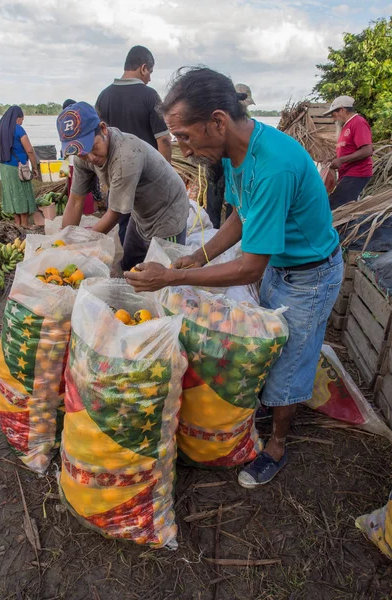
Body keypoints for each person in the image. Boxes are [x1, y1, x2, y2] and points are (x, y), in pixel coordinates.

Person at [125, 67, 342, 488]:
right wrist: (197, 255)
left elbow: (249, 267)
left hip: (311, 275)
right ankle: (274, 407)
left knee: (290, 360)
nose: (183, 148)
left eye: (185, 136)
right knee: (275, 347)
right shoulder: (239, 154)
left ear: (218, 121)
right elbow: (242, 215)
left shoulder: (273, 166)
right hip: (284, 266)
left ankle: (276, 446)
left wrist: (170, 278)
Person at [57, 102, 188, 271]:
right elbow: (75, 201)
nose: (90, 158)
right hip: (140, 212)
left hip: (168, 211)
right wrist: (65, 241)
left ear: (103, 129)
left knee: (164, 276)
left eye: (93, 148)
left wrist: (82, 245)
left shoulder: (125, 156)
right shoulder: (82, 156)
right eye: (81, 154)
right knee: (129, 265)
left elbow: (114, 215)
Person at [96, 45, 172, 244]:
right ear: (143, 67)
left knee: (124, 225)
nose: (150, 78)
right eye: (151, 72)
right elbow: (164, 140)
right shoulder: (149, 96)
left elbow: (98, 142)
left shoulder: (104, 96)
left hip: (117, 177)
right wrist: (166, 175)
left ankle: (128, 271)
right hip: (147, 178)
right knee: (151, 229)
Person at [206, 84, 255, 229]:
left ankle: (226, 234)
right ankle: (213, 231)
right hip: (218, 164)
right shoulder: (219, 118)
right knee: (215, 197)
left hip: (233, 166)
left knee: (234, 203)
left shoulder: (246, 120)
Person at [323, 96, 373, 210]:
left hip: (357, 173)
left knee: (334, 205)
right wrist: (332, 159)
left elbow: (367, 150)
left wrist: (341, 160)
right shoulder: (346, 126)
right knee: (347, 206)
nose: (333, 119)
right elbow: (348, 150)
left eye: (333, 114)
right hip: (347, 173)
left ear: (342, 110)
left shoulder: (358, 122)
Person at [0, 105, 38, 227]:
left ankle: (17, 222)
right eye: (22, 119)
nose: (22, 122)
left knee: (11, 194)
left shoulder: (0, 129)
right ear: (18, 118)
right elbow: (29, 150)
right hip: (18, 167)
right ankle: (24, 223)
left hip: (4, 168)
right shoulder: (18, 129)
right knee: (22, 193)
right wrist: (35, 167)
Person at [61, 98, 97, 215]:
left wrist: (64, 171)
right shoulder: (77, 120)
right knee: (81, 190)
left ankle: (84, 212)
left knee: (78, 189)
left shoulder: (64, 124)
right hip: (79, 160)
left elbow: (64, 151)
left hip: (74, 163)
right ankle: (86, 212)